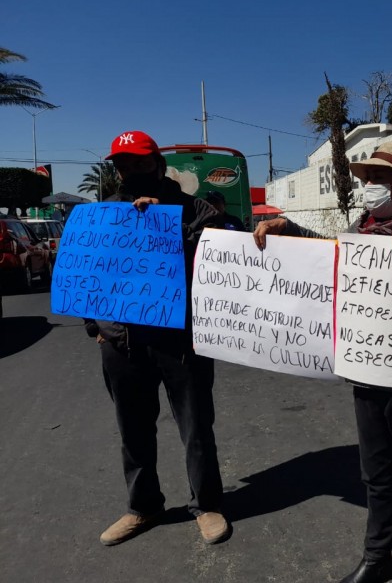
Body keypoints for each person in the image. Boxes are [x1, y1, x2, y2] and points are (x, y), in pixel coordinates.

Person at [254, 141, 392, 583]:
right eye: (366, 179)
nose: (369, 187)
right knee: (376, 476)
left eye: (379, 180)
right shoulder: (359, 229)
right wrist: (289, 230)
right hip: (366, 375)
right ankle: (376, 558)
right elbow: (331, 253)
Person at [84, 131, 230, 546]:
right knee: (133, 430)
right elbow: (87, 271)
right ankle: (143, 507)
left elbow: (213, 269)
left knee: (196, 427)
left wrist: (158, 227)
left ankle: (207, 504)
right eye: (123, 165)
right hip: (121, 343)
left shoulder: (196, 209)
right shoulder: (105, 214)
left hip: (181, 342)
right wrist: (95, 327)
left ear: (159, 165)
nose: (131, 171)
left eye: (140, 164)